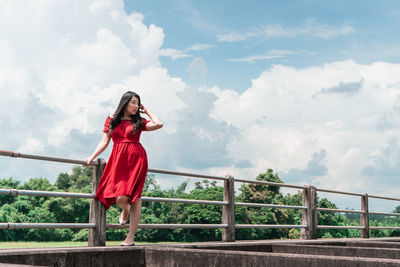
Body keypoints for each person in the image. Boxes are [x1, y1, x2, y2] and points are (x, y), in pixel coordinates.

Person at [86, 91, 163, 246]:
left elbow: (159, 124)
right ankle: (125, 210)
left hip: (137, 160)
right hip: (118, 160)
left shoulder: (139, 122)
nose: (135, 106)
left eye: (137, 103)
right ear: (125, 102)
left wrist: (146, 111)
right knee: (120, 197)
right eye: (132, 102)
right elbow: (104, 141)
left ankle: (130, 237)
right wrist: (92, 157)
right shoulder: (112, 120)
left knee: (136, 198)